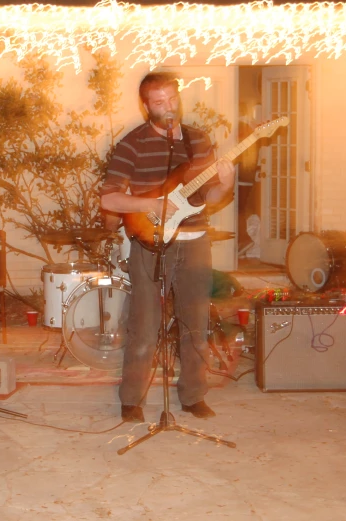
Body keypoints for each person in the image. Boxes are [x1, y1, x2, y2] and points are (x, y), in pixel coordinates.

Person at [100, 72, 235, 423]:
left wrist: (226, 183)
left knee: (196, 324)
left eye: (172, 99)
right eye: (159, 102)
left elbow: (212, 197)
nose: (168, 107)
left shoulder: (198, 141)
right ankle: (132, 400)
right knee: (144, 327)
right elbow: (111, 197)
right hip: (150, 244)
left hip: (194, 242)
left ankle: (193, 396)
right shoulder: (132, 144)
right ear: (145, 105)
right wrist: (151, 205)